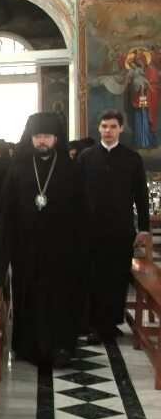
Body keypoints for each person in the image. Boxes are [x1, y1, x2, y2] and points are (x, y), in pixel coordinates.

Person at [0, 112, 84, 368]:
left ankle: (62, 346)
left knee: (60, 297)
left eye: (47, 137)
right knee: (28, 295)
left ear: (56, 138)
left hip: (61, 251)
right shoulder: (18, 168)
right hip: (26, 249)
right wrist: (0, 256)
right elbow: (5, 212)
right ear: (31, 138)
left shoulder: (69, 170)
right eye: (38, 136)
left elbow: (81, 212)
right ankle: (29, 346)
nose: (42, 141)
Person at [76, 109, 150, 345]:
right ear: (99, 129)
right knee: (93, 277)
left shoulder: (132, 158)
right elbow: (75, 194)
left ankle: (110, 322)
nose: (108, 131)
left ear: (121, 129)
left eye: (112, 127)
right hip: (90, 230)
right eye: (104, 126)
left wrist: (144, 228)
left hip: (121, 231)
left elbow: (141, 194)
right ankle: (97, 324)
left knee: (117, 278)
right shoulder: (86, 157)